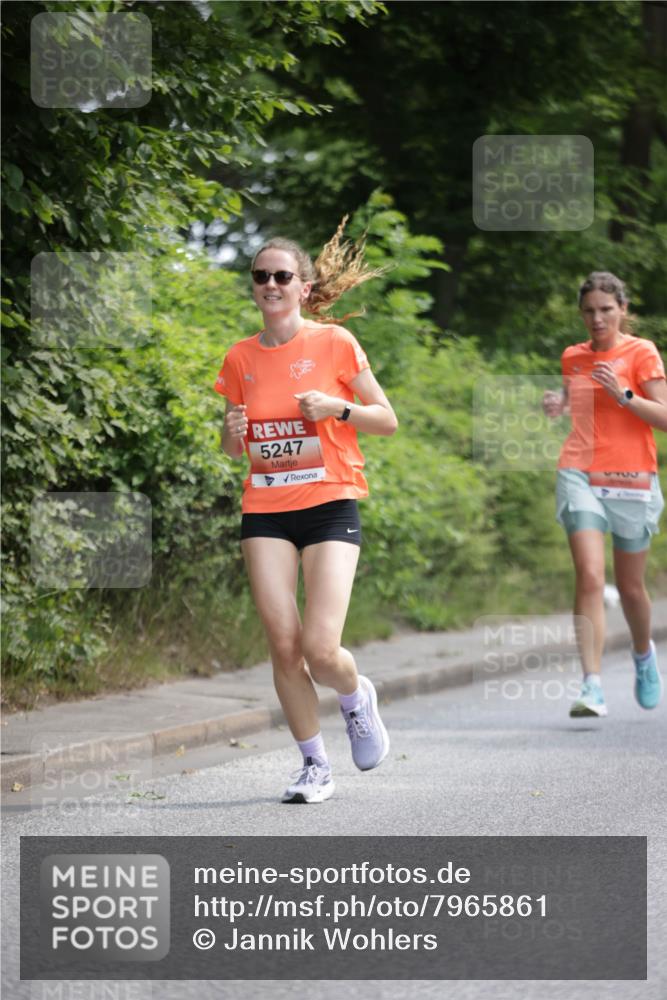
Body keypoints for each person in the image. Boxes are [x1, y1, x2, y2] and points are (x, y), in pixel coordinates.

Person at [214, 220, 398, 802]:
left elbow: (386, 418)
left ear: (304, 285)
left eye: (281, 276)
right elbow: (232, 448)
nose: (270, 283)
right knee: (284, 645)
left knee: (321, 649)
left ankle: (354, 697)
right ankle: (314, 765)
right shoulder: (239, 357)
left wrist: (338, 408)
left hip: (328, 503)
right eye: (260, 276)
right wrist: (230, 432)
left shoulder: (334, 343)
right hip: (265, 508)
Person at [543, 271, 667, 718]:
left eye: (606, 310)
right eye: (590, 311)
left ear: (622, 311)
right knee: (591, 575)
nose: (597, 319)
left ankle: (641, 654)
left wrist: (627, 395)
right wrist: (558, 404)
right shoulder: (572, 357)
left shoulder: (642, 352)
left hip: (631, 476)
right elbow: (577, 399)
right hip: (580, 471)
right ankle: (592, 684)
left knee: (631, 587)